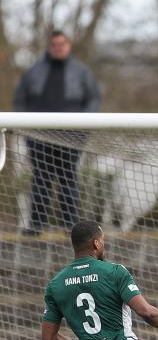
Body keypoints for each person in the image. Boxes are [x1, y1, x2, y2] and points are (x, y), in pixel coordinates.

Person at [14, 31, 101, 235]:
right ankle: (36, 227)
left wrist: (82, 128)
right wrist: (27, 129)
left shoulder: (82, 72)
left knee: (68, 181)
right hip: (40, 137)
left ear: (68, 45)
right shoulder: (34, 71)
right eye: (54, 44)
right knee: (41, 180)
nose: (58, 47)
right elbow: (20, 100)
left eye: (62, 44)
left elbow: (93, 100)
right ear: (49, 46)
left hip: (71, 137)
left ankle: (70, 228)